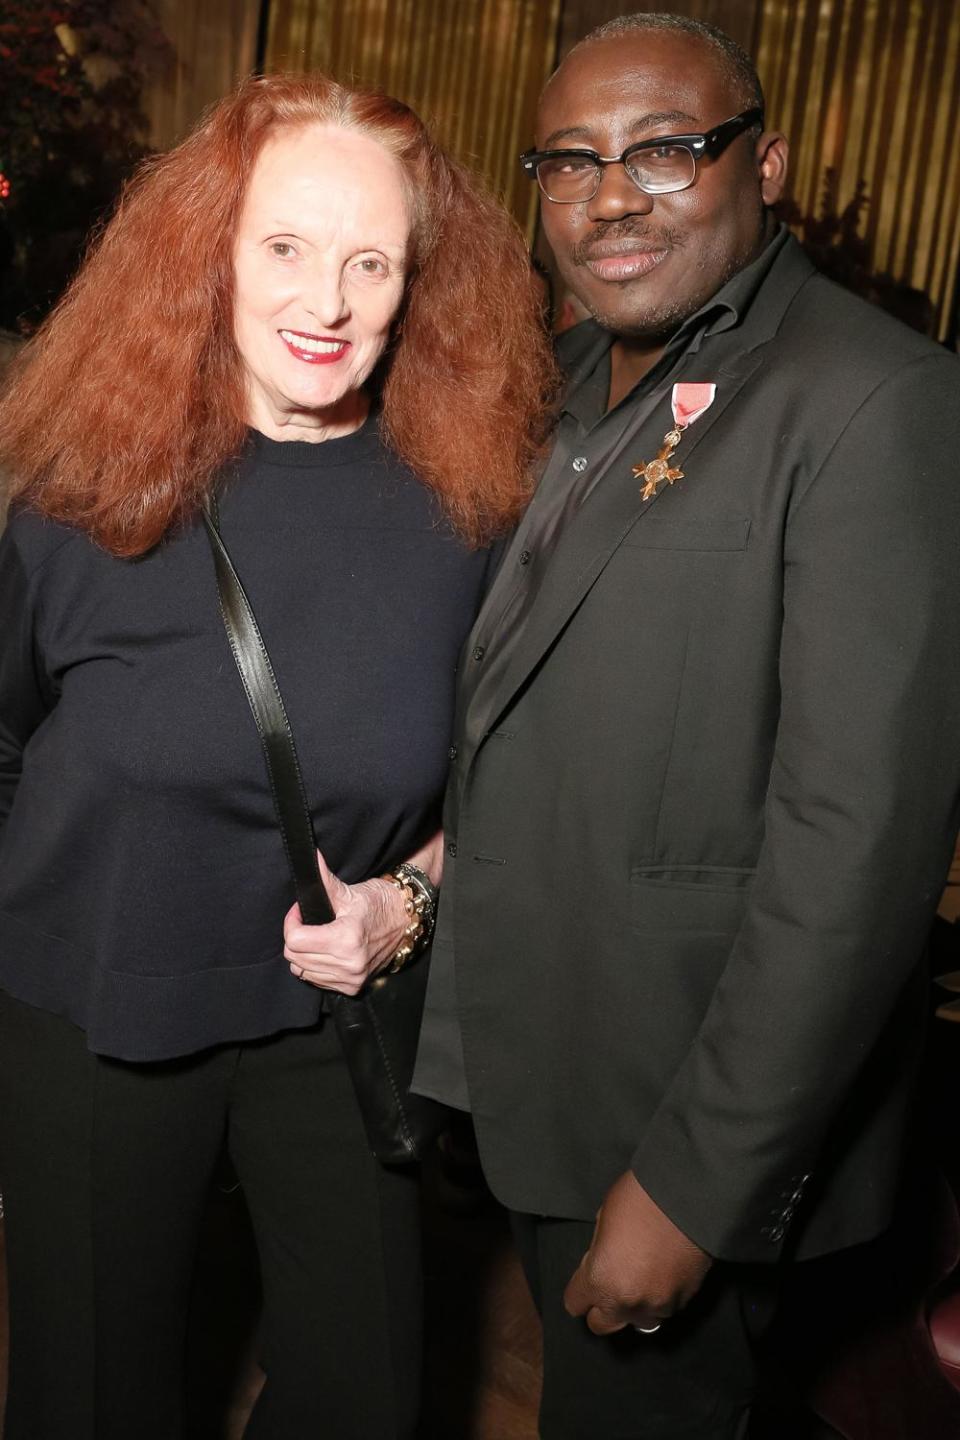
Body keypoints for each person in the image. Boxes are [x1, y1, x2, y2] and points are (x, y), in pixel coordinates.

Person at [409, 13, 960, 1439]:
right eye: (571, 162)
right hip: (550, 1067)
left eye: (664, 150)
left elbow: (857, 855)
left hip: (670, 1120)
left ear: (765, 162)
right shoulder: (577, 386)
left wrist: (695, 1187)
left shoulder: (874, 400)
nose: (608, 198)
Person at [0, 72, 554, 1440]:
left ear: (418, 283)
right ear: (212, 256)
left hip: (335, 1018)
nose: (328, 301)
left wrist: (407, 902)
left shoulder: (475, 506)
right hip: (94, 1011)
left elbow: (510, 790)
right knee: (91, 1396)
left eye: (371, 261)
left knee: (365, 1388)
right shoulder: (78, 492)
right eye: (287, 248)